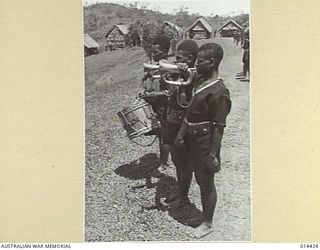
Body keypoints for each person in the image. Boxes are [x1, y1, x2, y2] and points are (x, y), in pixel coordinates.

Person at [174, 43, 231, 238]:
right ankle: (198, 213)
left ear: (212, 62)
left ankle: (207, 223)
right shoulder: (200, 80)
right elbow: (189, 111)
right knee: (197, 177)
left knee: (205, 182)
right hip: (191, 137)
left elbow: (219, 127)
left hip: (205, 142)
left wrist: (213, 155)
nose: (196, 64)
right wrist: (181, 135)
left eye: (200, 61)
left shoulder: (220, 92)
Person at [164, 40, 199, 207]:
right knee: (177, 161)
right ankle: (180, 191)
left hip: (182, 126)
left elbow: (185, 102)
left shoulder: (195, 75)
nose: (176, 61)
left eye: (179, 58)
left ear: (190, 59)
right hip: (172, 121)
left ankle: (184, 197)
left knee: (183, 162)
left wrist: (185, 78)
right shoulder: (179, 73)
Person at [141, 34, 171, 172]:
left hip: (166, 106)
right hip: (156, 106)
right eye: (151, 52)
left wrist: (152, 94)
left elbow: (169, 92)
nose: (153, 55)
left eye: (156, 52)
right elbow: (145, 85)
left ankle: (164, 163)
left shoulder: (168, 67)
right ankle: (164, 160)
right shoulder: (154, 66)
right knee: (161, 134)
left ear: (164, 52)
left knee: (164, 136)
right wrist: (146, 76)